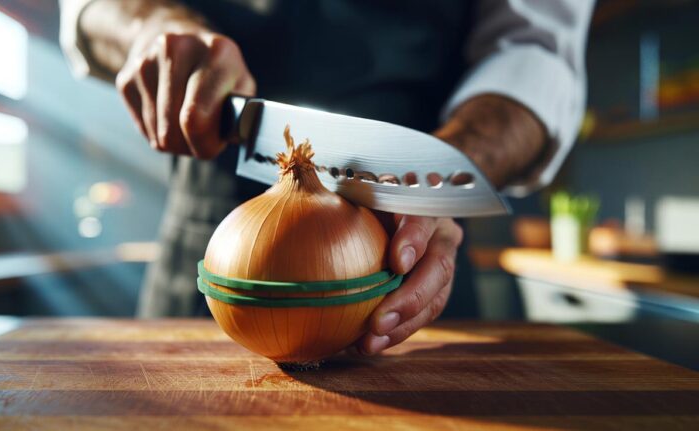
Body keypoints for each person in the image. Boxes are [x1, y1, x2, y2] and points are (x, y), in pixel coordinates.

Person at [60, 0, 593, 355]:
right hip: (207, 247)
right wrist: (150, 27)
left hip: (409, 242)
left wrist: (435, 177)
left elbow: (536, 51)